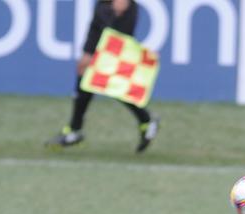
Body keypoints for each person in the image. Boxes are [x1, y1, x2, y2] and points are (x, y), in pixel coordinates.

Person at [44, 0, 160, 153]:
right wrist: (87, 50)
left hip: (116, 13)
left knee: (108, 76)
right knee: (89, 73)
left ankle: (145, 118)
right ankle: (75, 130)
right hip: (103, 8)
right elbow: (96, 24)